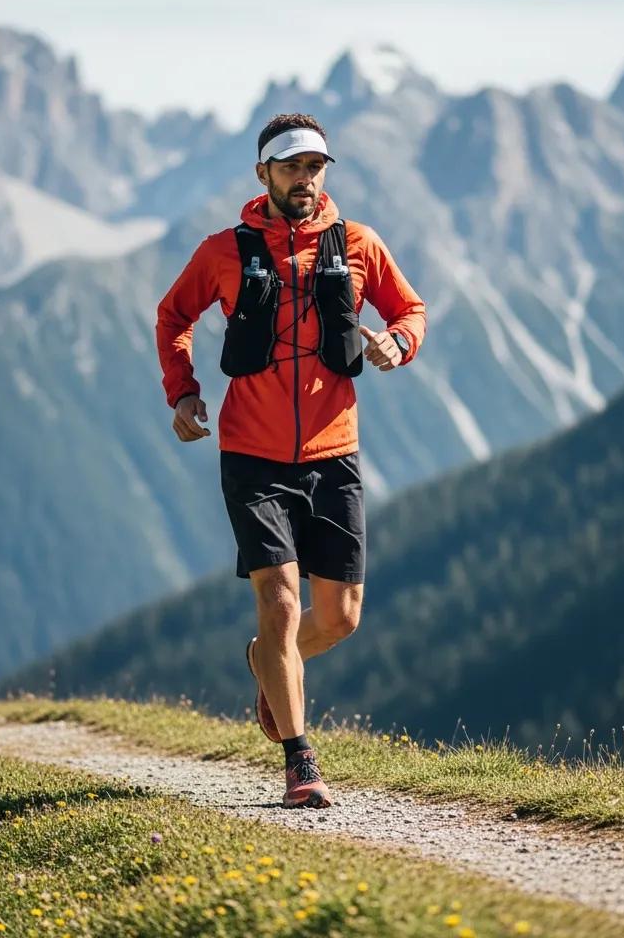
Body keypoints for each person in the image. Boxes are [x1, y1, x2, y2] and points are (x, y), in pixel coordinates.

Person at [154, 113, 426, 808]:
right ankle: (300, 762)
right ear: (263, 175)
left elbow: (411, 310)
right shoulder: (225, 251)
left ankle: (265, 663)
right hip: (252, 454)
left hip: (334, 454)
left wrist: (399, 342)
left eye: (316, 167)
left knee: (339, 618)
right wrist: (182, 393)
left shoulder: (359, 244)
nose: (306, 180)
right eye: (292, 168)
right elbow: (172, 317)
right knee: (279, 600)